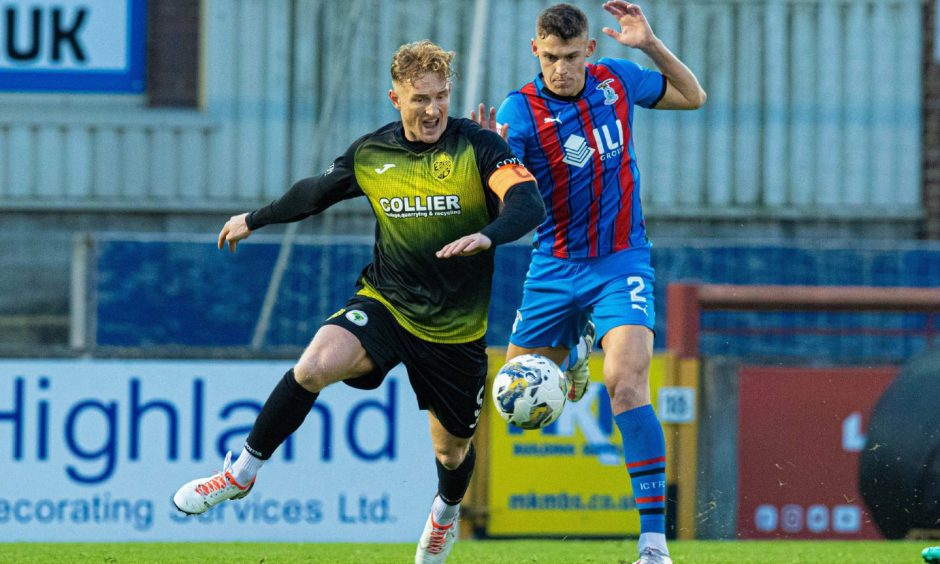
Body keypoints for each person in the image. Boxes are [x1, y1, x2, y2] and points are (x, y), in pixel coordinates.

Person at [172, 40, 545, 564]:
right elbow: (313, 194)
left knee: (450, 451)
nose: (433, 109)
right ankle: (240, 473)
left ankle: (444, 513)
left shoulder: (479, 145)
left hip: (454, 331)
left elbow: (528, 203)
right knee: (314, 365)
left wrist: (490, 235)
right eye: (420, 99)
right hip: (386, 303)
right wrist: (253, 218)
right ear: (396, 98)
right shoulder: (373, 153)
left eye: (441, 96)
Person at [473, 3, 705, 563]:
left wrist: (649, 44)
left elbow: (693, 96)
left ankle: (652, 544)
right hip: (552, 265)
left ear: (590, 52)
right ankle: (575, 346)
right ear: (536, 52)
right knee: (512, 395)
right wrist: (487, 159)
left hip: (621, 261)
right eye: (550, 57)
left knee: (626, 385)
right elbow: (506, 196)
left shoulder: (616, 82)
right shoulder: (518, 113)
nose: (560, 68)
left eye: (571, 57)